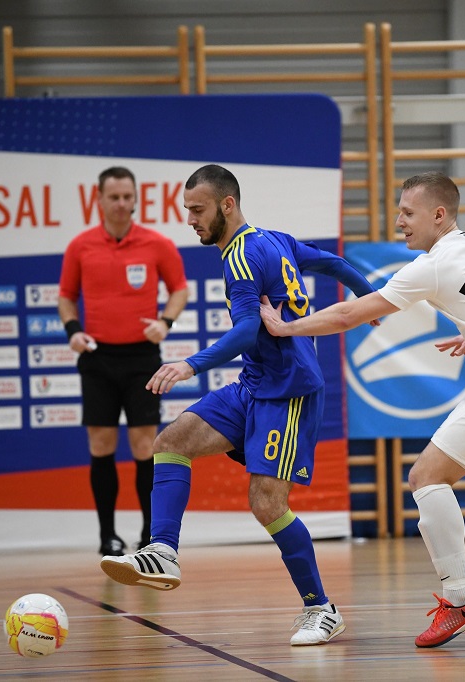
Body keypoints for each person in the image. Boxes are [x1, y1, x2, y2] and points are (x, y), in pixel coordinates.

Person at [259, 171, 465, 648]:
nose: (399, 222)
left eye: (408, 213)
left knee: (425, 476)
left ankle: (459, 600)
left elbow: (352, 313)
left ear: (439, 215)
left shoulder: (431, 265)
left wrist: (287, 328)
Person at [99, 163, 377, 646]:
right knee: (171, 441)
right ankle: (163, 549)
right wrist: (369, 295)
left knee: (266, 502)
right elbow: (331, 263)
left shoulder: (241, 258)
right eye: (187, 209)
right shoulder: (276, 239)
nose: (191, 218)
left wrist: (190, 364)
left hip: (287, 389)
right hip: (256, 381)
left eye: (198, 209)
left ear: (227, 205)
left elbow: (249, 330)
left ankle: (322, 609)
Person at [59, 166, 189, 557]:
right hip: (98, 357)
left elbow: (180, 289)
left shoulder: (156, 243)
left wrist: (165, 322)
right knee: (101, 445)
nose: (121, 204)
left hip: (140, 358)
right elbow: (66, 296)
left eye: (127, 197)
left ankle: (151, 534)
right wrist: (73, 331)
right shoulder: (80, 246)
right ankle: (107, 536)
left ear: (136, 199)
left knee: (144, 445)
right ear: (98, 200)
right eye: (113, 197)